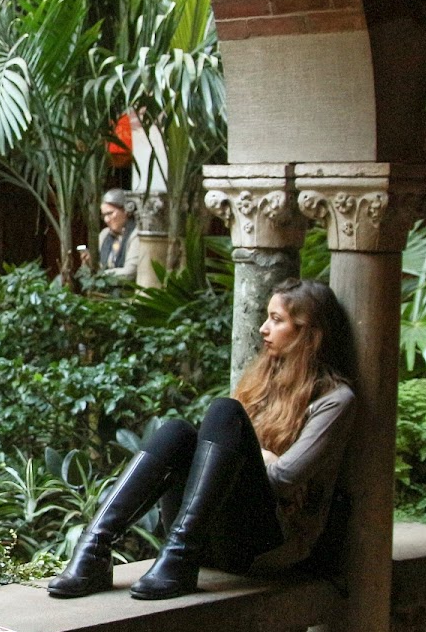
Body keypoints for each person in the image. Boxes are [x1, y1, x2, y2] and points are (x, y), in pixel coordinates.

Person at [48, 278, 357, 600]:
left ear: (308, 332)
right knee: (176, 431)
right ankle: (95, 546)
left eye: (276, 320)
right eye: (267, 317)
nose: (264, 328)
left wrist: (255, 459)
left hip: (265, 547)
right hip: (209, 540)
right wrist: (259, 457)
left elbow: (285, 478)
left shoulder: (335, 400)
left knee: (225, 411)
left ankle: (179, 557)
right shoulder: (264, 382)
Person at [84, 188, 141, 280]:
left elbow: (130, 272)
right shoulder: (104, 234)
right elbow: (98, 267)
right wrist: (89, 263)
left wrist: (100, 275)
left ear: (126, 211)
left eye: (110, 213)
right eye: (104, 215)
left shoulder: (136, 235)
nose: (106, 220)